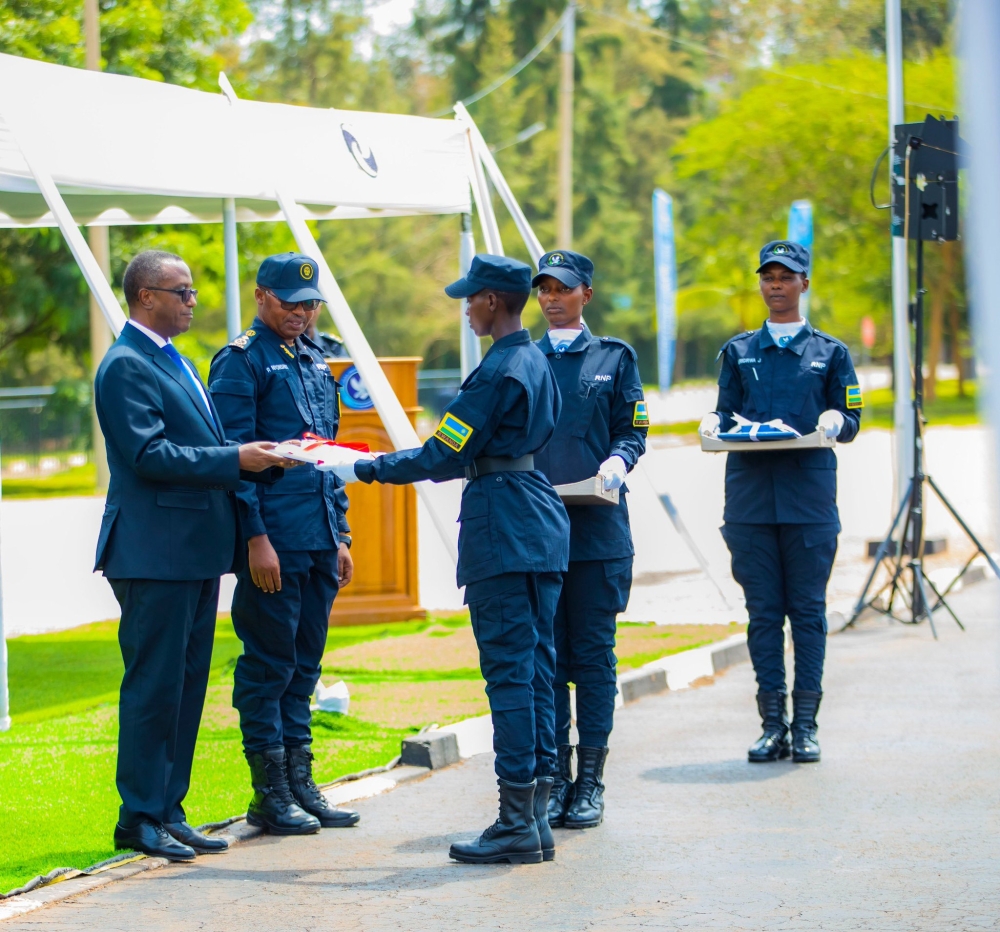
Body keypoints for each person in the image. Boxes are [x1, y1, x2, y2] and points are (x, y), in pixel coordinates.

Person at [335, 255, 570, 865]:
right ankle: (535, 816)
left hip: (504, 524)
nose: (466, 308)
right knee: (538, 674)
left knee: (511, 679)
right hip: (537, 520)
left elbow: (442, 453)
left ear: (494, 300)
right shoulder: (537, 359)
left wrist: (361, 467)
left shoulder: (497, 371)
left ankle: (517, 821)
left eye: (471, 298)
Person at [95, 250, 294, 861]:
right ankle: (139, 817)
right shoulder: (126, 364)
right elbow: (149, 455)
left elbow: (197, 444)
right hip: (154, 552)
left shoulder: (172, 360)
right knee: (154, 686)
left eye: (192, 292)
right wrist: (236, 459)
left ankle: (169, 809)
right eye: (180, 292)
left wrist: (253, 459)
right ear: (144, 296)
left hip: (191, 552)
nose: (191, 301)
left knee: (184, 687)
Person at [209, 252, 360, 835]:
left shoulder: (316, 360)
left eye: (311, 303)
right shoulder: (241, 362)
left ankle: (301, 783)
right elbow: (235, 460)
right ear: (261, 297)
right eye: (290, 302)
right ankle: (269, 793)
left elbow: (329, 458)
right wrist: (255, 539)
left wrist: (340, 532)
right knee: (268, 666)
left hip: (318, 535)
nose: (302, 312)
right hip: (273, 539)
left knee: (305, 665)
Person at [700, 240, 862, 764]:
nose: (775, 285)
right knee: (763, 613)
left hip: (808, 500)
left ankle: (807, 724)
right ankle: (772, 724)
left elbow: (852, 416)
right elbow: (724, 413)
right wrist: (712, 424)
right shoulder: (740, 350)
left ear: (803, 284)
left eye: (786, 276)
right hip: (749, 501)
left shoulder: (830, 352)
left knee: (807, 613)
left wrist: (838, 421)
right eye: (768, 276)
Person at [532, 249, 648, 829]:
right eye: (544, 288)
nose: (552, 297)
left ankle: (592, 781)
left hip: (598, 531)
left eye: (563, 288)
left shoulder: (614, 357)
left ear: (586, 295)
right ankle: (554, 781)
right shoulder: (522, 359)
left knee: (594, 661)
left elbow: (634, 429)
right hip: (538, 532)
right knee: (548, 661)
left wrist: (619, 461)